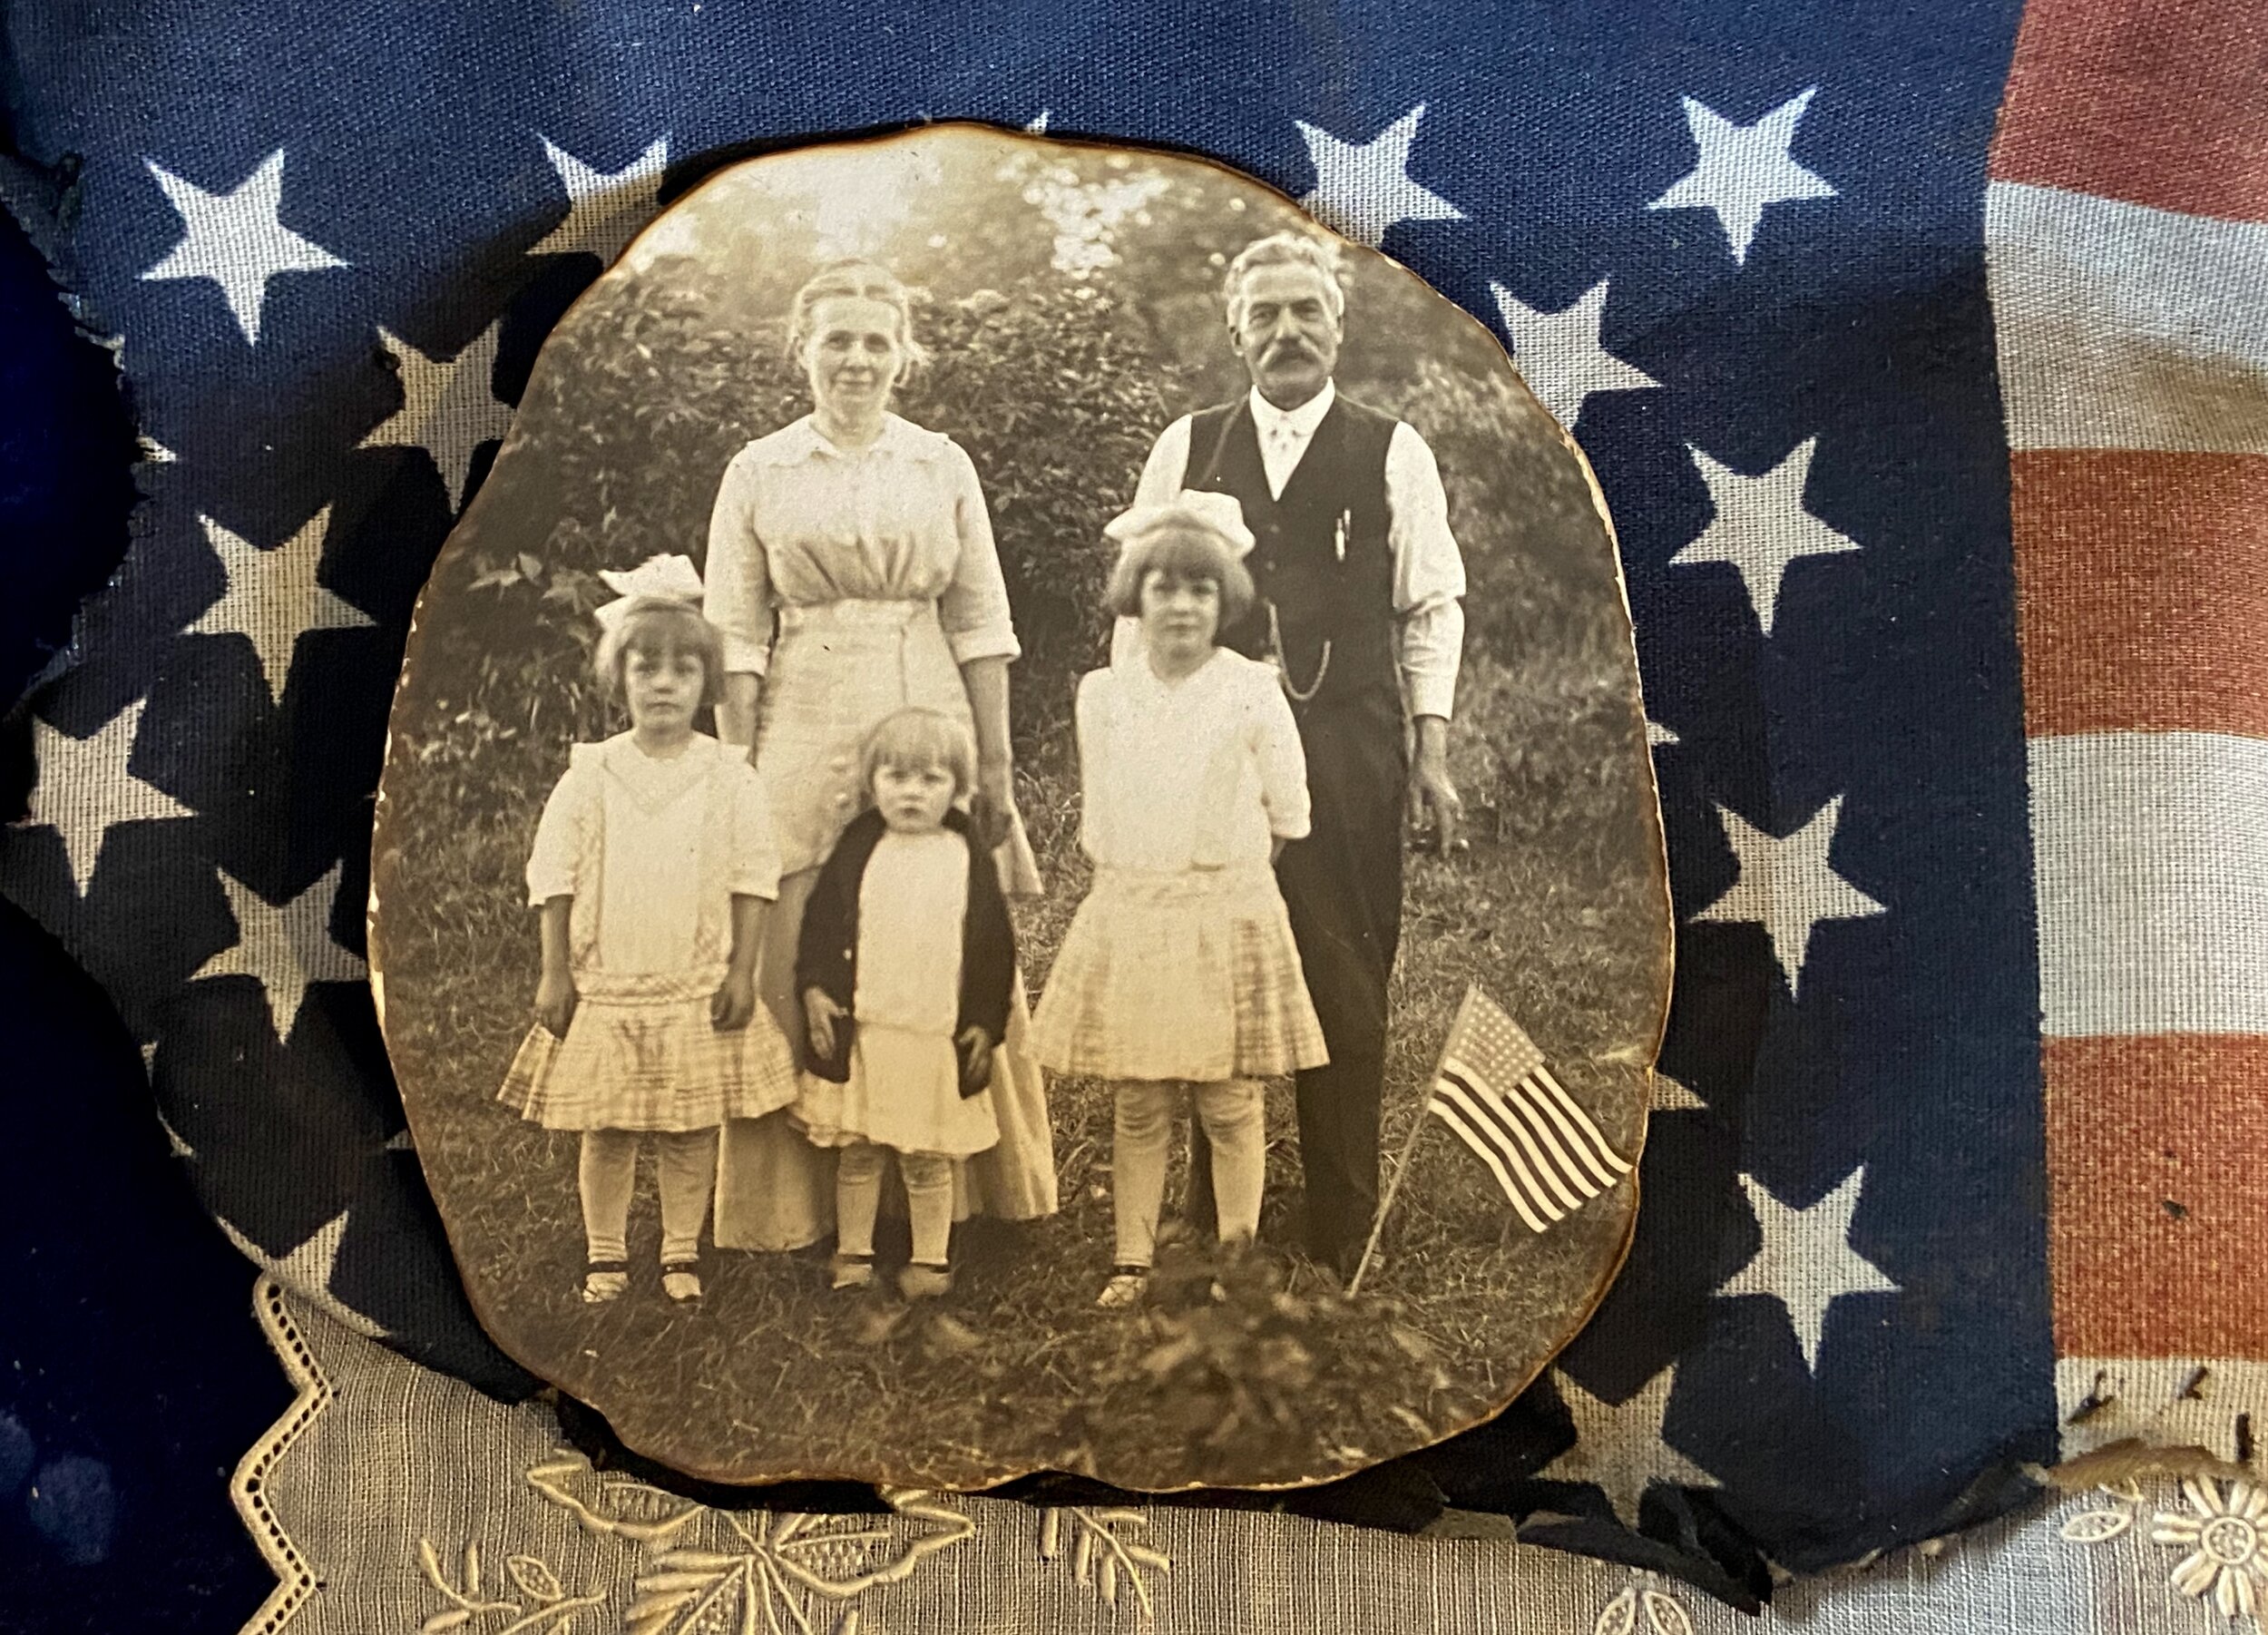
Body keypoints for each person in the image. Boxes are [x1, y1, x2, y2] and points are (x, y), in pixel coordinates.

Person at [1122, 230, 1468, 1280]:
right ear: (1235, 333)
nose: (1286, 333)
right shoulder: (1188, 443)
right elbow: (1136, 610)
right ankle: (1209, 1225)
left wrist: (1429, 750)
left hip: (1349, 744)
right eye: (1263, 315)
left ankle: (1338, 1230)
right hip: (1206, 751)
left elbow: (1430, 605)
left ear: (1337, 325)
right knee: (1201, 969)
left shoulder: (1390, 447)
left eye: (1304, 312)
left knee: (1345, 972)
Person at [703, 258, 1056, 1251]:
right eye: (837, 339)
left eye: (875, 340)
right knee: (801, 914)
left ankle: (957, 1186)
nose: (855, 358)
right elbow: (734, 633)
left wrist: (992, 767)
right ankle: (800, 1202)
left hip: (921, 692)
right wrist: (736, 762)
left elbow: (982, 622)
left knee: (935, 906)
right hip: (805, 704)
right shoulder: (758, 470)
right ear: (802, 350)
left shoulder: (940, 463)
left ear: (904, 355)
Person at [1034, 501, 1326, 1308]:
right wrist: (1152, 880)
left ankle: (1236, 1263)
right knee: (1141, 1096)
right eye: (1163, 587)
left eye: (1201, 589)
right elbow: (1111, 809)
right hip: (1133, 909)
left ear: (1224, 599)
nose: (1182, 606)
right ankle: (1132, 1256)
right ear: (1137, 595)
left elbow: (1289, 811)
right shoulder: (1103, 694)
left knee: (1231, 1097)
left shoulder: (1252, 690)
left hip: (1226, 907)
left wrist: (1221, 881)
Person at [498, 558, 800, 1305]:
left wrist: (741, 973)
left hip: (692, 979)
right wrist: (555, 971)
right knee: (608, 1126)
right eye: (647, 666)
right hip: (608, 980)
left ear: (707, 684)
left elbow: (755, 878)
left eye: (683, 669)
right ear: (620, 675)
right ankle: (605, 1252)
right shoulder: (592, 772)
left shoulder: (729, 774)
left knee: (689, 1123)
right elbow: (554, 874)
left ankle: (679, 1250)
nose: (664, 684)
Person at [792, 709, 1016, 1300]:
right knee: (860, 1151)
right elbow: (818, 926)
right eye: (896, 777)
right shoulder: (861, 846)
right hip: (869, 1030)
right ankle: (854, 1252)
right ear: (873, 783)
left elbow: (995, 951)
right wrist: (816, 989)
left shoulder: (965, 855)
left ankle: (930, 1260)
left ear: (957, 789)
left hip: (933, 1033)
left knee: (927, 1155)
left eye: (930, 779)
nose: (911, 792)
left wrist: (983, 1027)